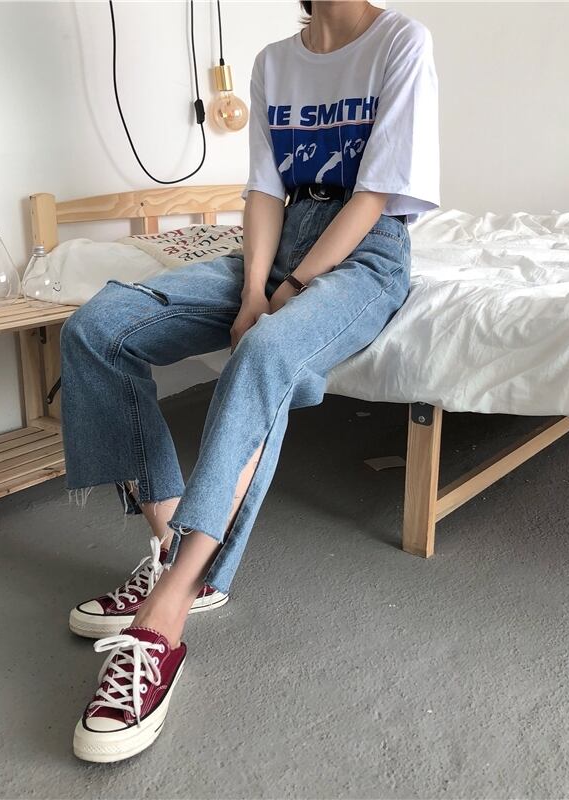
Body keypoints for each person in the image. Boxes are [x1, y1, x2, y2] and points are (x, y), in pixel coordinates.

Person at [61, 0, 440, 762]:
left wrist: (287, 294)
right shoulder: (274, 63)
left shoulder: (402, 42)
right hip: (277, 239)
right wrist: (251, 292)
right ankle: (173, 549)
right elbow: (264, 191)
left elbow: (373, 196)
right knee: (96, 328)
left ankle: (165, 616)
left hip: (365, 254)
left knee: (264, 354)